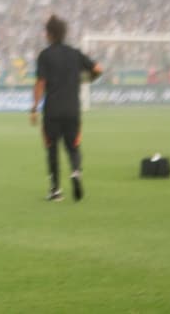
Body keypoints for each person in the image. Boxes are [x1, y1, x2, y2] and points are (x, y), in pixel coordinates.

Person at [30, 15, 102, 202]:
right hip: (72, 110)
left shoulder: (45, 56)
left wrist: (34, 108)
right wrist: (87, 79)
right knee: (74, 146)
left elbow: (40, 83)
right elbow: (98, 69)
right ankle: (76, 171)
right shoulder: (75, 53)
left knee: (52, 149)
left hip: (52, 111)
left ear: (50, 34)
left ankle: (55, 191)